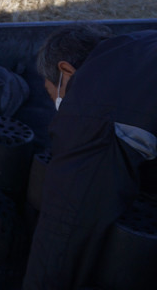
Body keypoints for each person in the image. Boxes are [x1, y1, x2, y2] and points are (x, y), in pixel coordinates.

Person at [24, 24, 157, 290]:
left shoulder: (89, 102)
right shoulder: (140, 45)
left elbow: (64, 225)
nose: (59, 107)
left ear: (66, 71)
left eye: (53, 94)